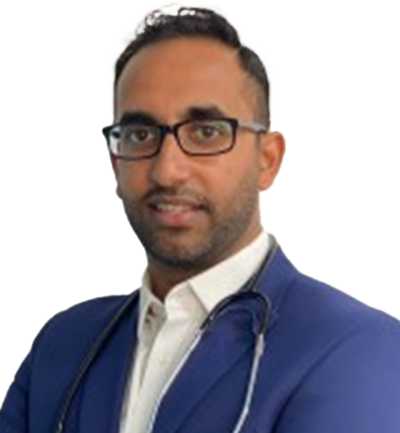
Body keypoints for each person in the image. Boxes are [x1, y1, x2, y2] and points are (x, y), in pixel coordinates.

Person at [1, 4, 400, 433]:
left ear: (267, 160)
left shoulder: (356, 349)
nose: (167, 170)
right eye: (140, 134)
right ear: (116, 167)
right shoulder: (63, 347)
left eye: (206, 132)